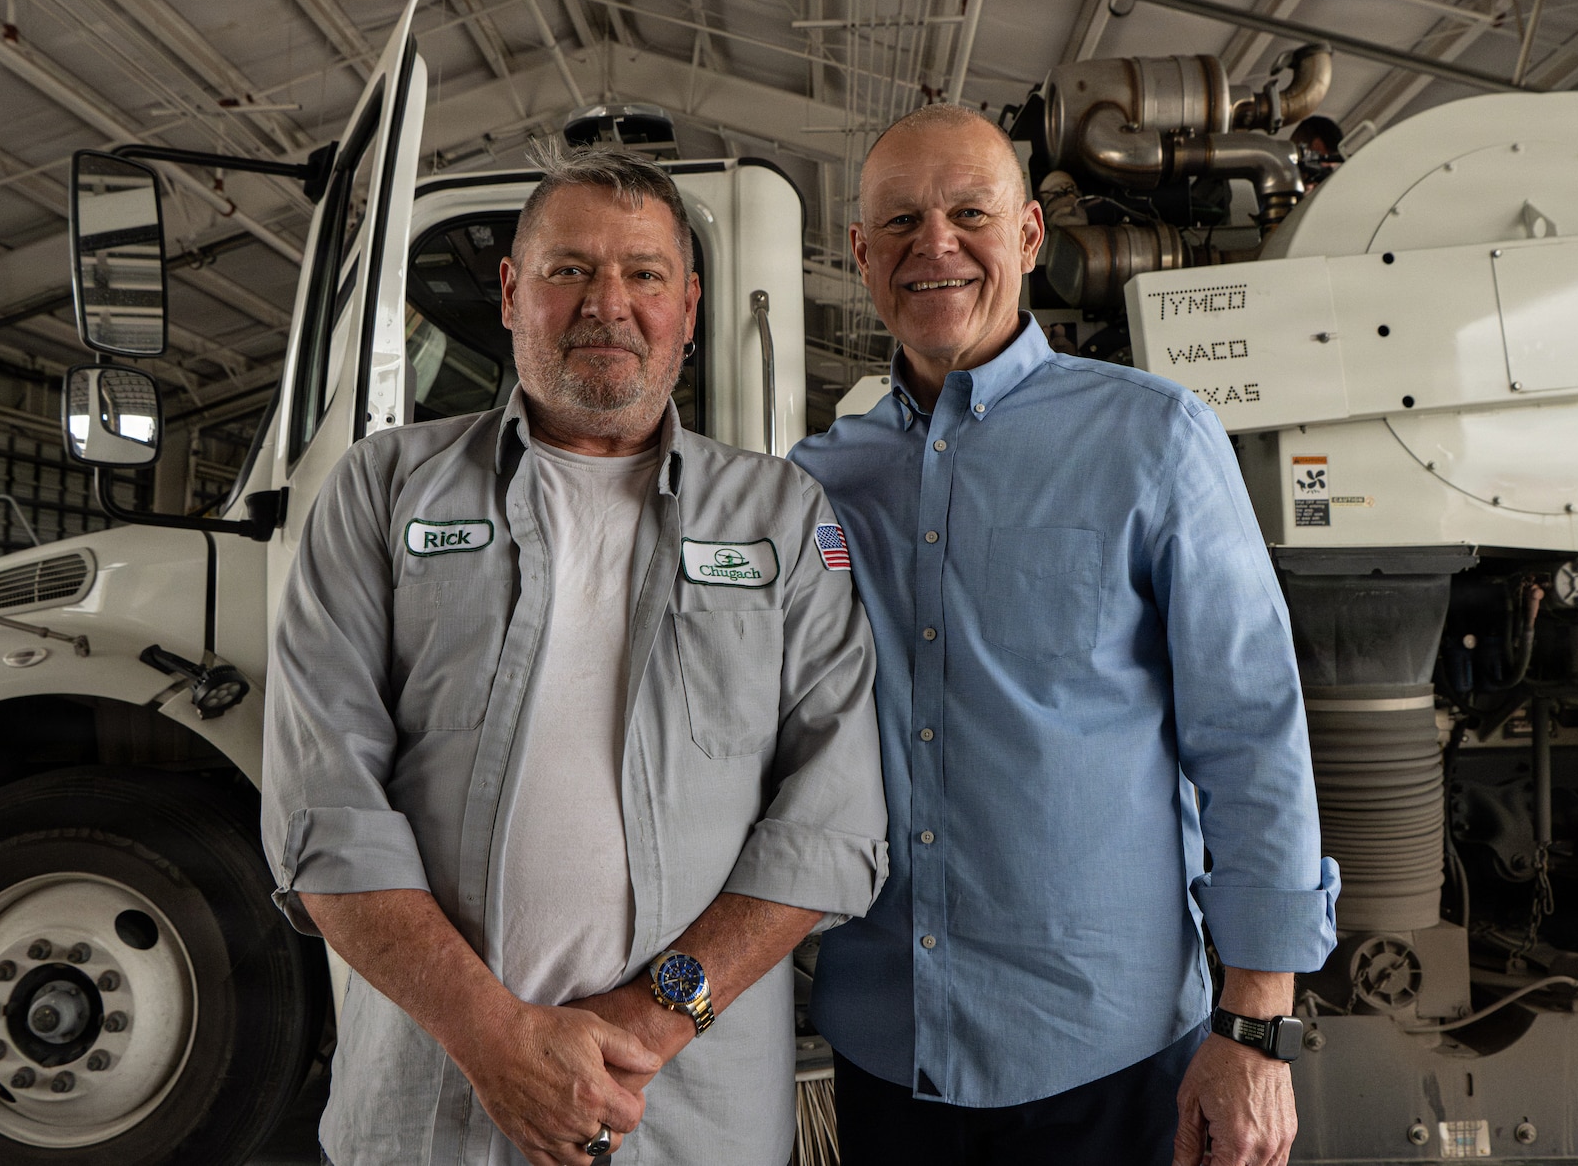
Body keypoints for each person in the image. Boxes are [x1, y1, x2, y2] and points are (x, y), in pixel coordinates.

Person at [263, 142, 889, 1166]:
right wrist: (492, 1038)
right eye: (568, 270)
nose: (607, 302)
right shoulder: (383, 491)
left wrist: (649, 1025)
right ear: (512, 293)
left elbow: (834, 810)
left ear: (686, 307)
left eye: (643, 274)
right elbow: (318, 807)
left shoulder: (780, 514)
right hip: (436, 1105)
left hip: (684, 1111)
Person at [790, 104, 1337, 1166]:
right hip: (887, 1042)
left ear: (1029, 237)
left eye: (967, 213)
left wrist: (1254, 1028)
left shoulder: (1152, 439)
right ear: (860, 255)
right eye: (898, 221)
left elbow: (1250, 728)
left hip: (1110, 1054)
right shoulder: (819, 482)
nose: (932, 244)